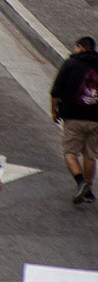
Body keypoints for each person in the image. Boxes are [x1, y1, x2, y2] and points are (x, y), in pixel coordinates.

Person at [50, 35, 98, 204]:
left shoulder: (70, 64)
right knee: (90, 155)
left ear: (79, 47)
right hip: (95, 119)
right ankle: (89, 191)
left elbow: (55, 91)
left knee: (70, 152)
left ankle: (80, 183)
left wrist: (54, 111)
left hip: (73, 116)